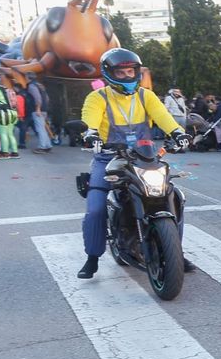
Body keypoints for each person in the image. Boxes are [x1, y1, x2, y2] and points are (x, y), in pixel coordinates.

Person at [75, 48, 190, 279]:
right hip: (109, 158)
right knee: (96, 208)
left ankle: (174, 250)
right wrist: (91, 134)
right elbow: (90, 120)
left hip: (144, 156)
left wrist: (178, 133)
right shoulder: (97, 98)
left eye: (131, 71)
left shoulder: (146, 95)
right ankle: (92, 257)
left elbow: (163, 117)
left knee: (173, 196)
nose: (127, 76)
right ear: (109, 74)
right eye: (121, 72)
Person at [0, 76, 20, 159]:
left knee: (3, 134)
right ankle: (15, 153)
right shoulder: (9, 90)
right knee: (10, 134)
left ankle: (5, 153)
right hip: (13, 113)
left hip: (3, 114)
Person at [25, 77, 52, 153]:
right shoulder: (40, 85)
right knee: (43, 128)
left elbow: (37, 98)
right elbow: (47, 98)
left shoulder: (32, 86)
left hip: (37, 110)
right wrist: (45, 107)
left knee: (40, 129)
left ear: (28, 77)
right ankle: (47, 145)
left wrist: (38, 108)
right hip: (44, 109)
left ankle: (42, 146)